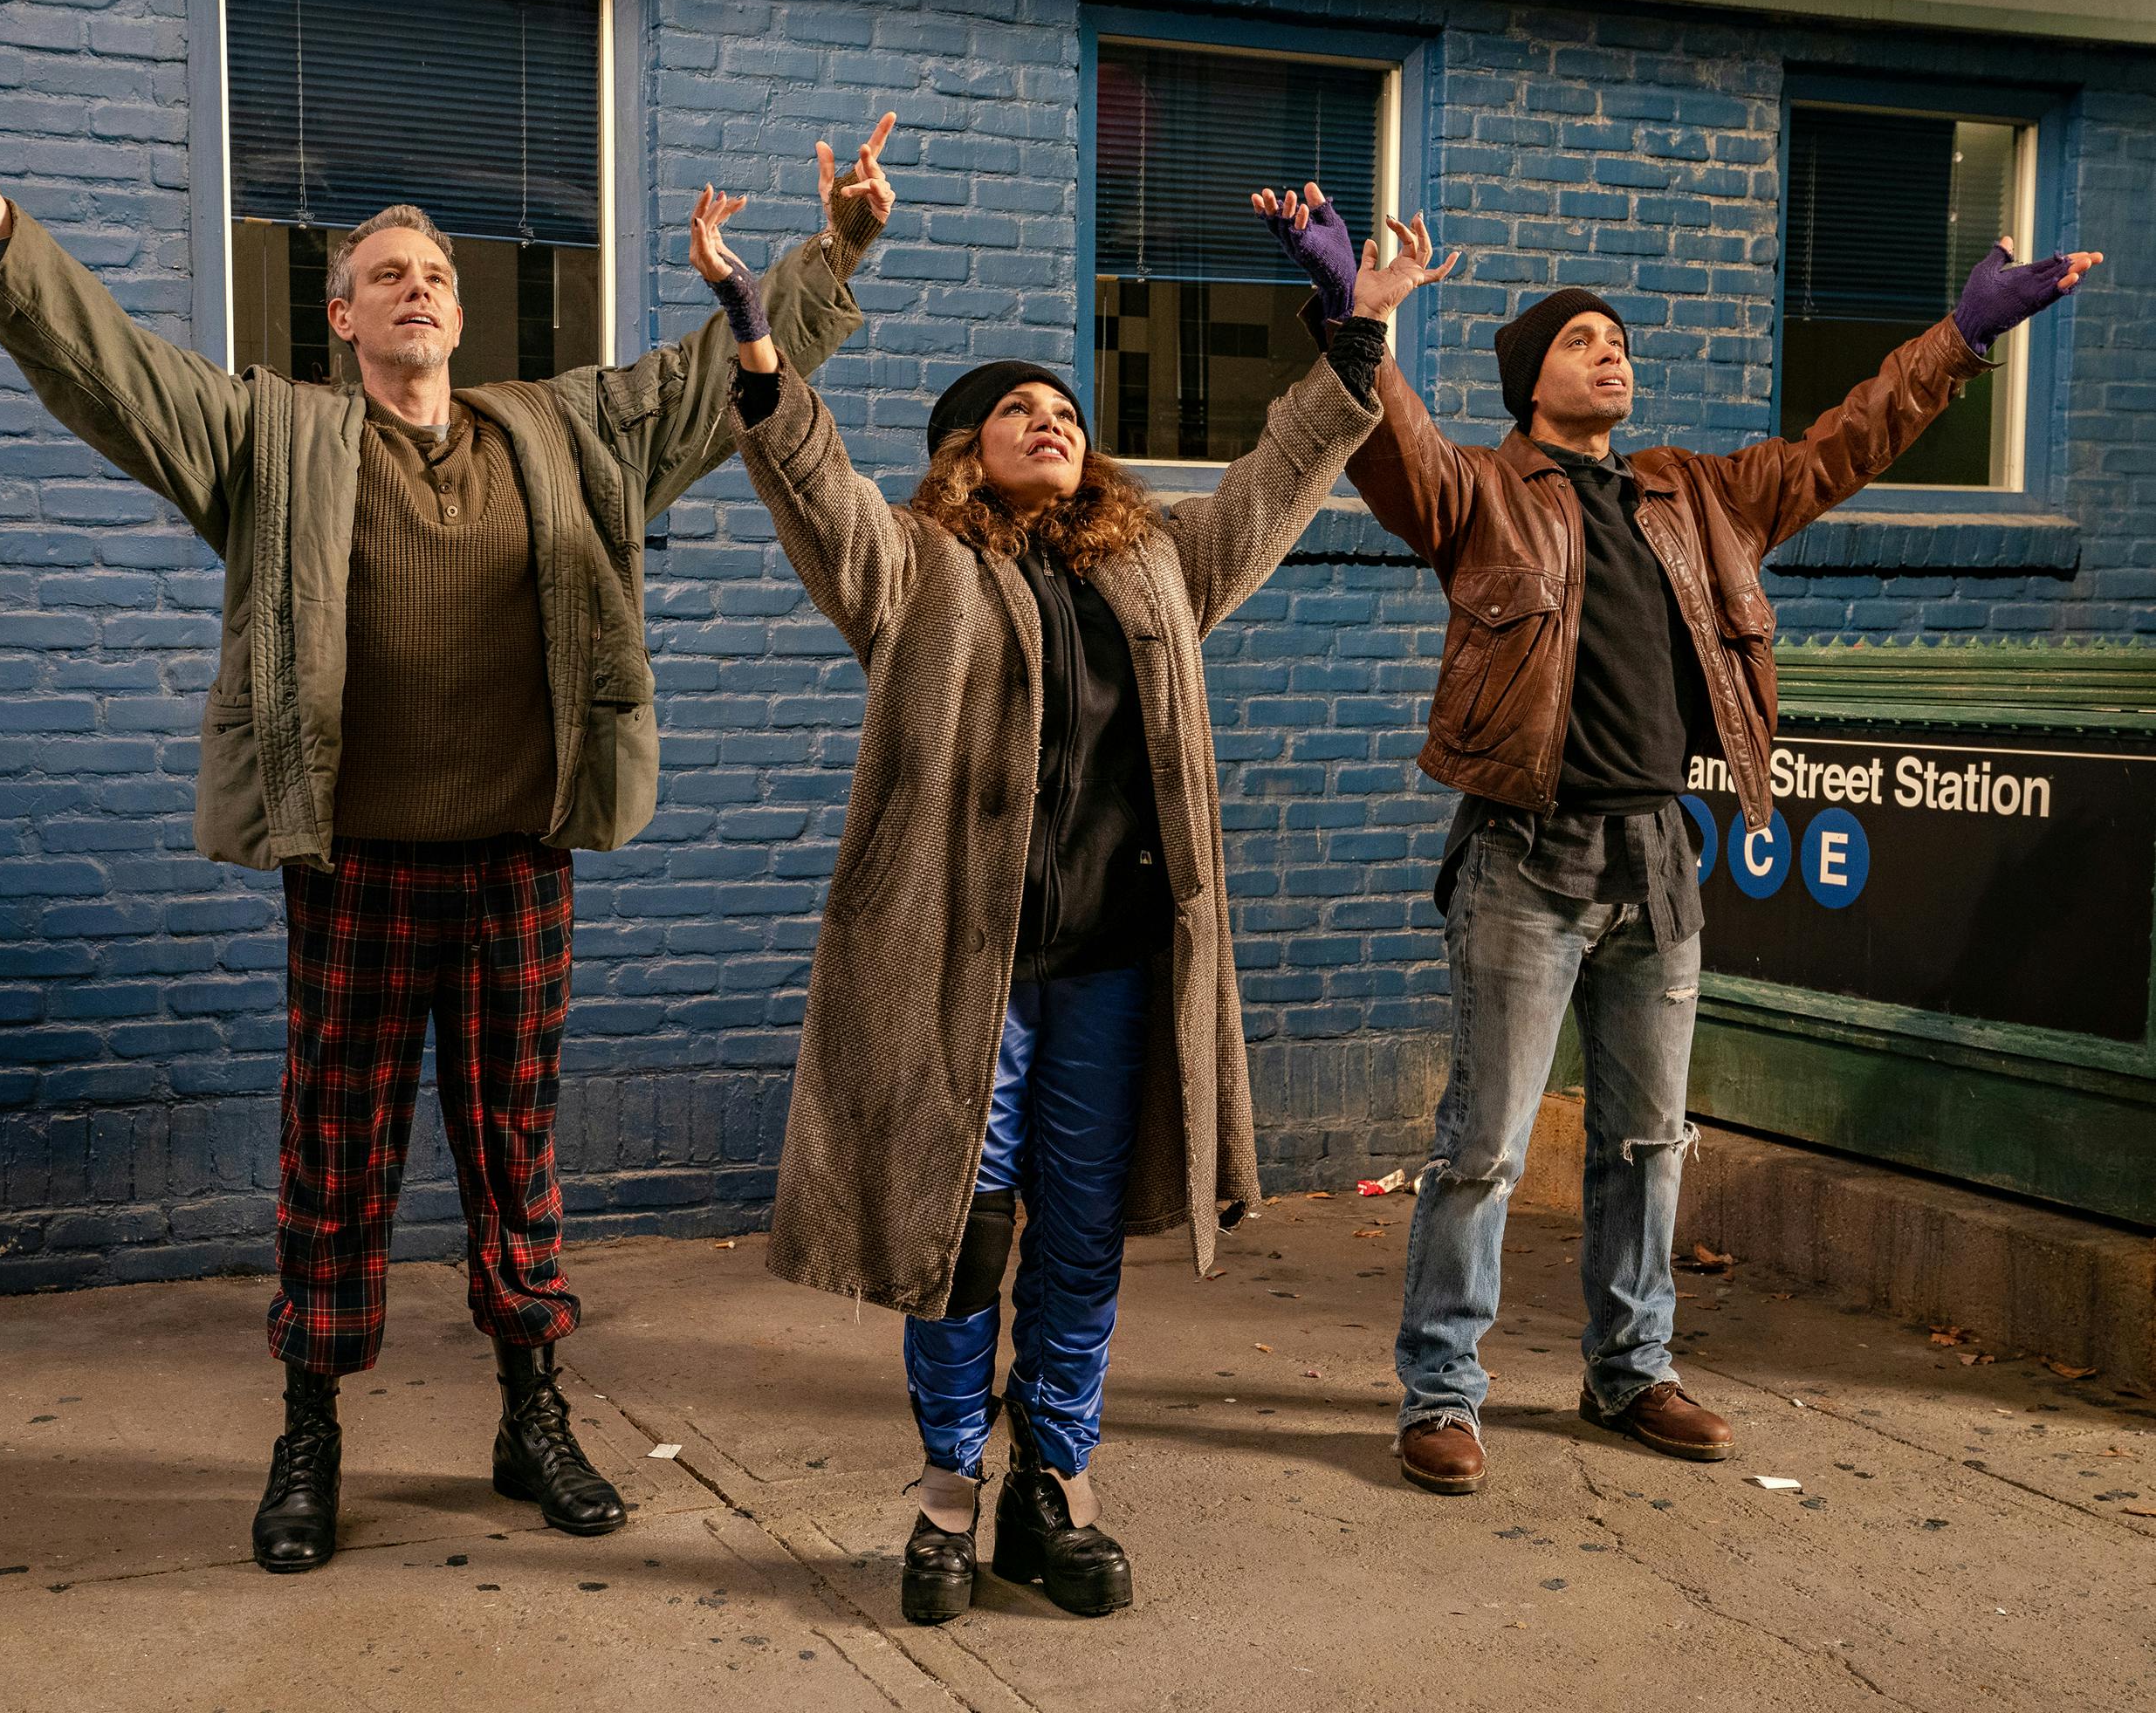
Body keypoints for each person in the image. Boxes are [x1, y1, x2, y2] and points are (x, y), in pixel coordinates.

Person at [0, 9, 896, 1570]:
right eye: (385, 278)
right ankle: (311, 1432)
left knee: (515, 1144)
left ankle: (530, 1410)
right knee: (335, 1150)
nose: (417, 289)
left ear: (456, 311)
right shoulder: (271, 440)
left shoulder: (563, 430)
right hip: (353, 867)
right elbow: (112, 376)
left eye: (435, 274)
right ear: (340, 321)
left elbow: (720, 383)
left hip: (513, 861)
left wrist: (826, 262)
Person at [1313, 201, 2102, 1495]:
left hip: (1656, 859)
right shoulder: (1477, 492)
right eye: (1579, 340)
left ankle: (1630, 1372)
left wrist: (1957, 341)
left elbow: (1843, 444)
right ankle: (1442, 1393)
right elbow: (1385, 445)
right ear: (1529, 382)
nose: (1609, 353)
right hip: (1524, 858)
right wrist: (1360, 322)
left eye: (1617, 339)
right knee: (1487, 1145)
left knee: (1649, 1143)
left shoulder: (1699, 495)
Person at [704, 181, 1389, 1621]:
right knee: (966, 1228)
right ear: (963, 451)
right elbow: (815, 490)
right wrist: (762, 353)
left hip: (1117, 964)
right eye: (1015, 408)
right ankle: (951, 1491)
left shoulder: (1157, 563)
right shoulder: (918, 567)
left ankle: (1054, 1489)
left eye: (1065, 410)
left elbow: (1273, 483)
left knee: (1077, 1232)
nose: (1050, 419)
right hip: (966, 969)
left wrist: (1349, 341)